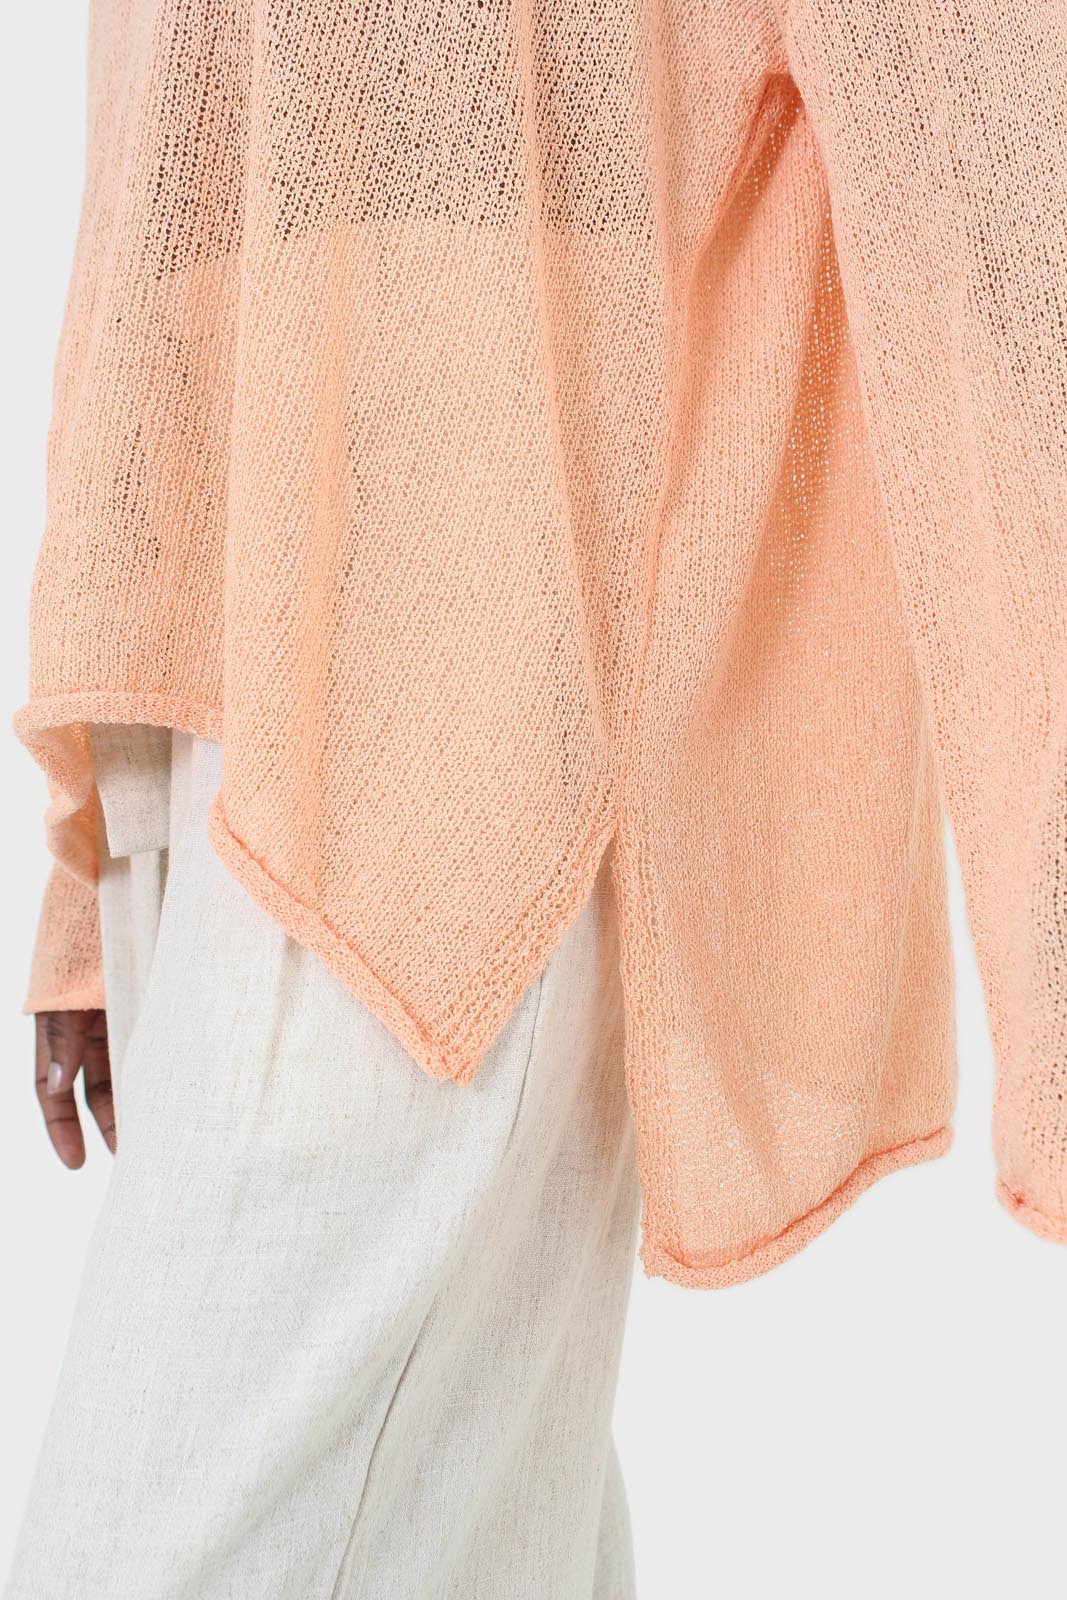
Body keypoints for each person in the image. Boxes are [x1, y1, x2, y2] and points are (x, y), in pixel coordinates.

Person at [8, 2, 1065, 1595]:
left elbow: (992, 119)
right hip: (209, 668)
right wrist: (98, 846)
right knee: (472, 1525)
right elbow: (174, 146)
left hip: (466, 676)